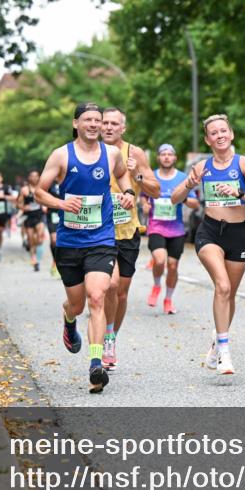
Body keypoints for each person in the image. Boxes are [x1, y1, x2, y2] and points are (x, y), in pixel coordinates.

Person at [33, 102, 136, 394]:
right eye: (88, 119)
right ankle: (69, 320)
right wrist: (61, 203)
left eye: (98, 120)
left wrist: (128, 192)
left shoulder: (111, 154)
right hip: (69, 242)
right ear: (76, 123)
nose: (94, 124)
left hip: (101, 239)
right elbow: (39, 191)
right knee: (77, 305)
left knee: (97, 297)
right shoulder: (61, 155)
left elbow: (122, 175)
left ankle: (95, 365)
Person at [170, 114, 245, 376]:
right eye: (214, 133)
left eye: (223, 131)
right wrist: (189, 183)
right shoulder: (202, 166)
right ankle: (225, 352)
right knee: (222, 286)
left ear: (231, 134)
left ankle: (217, 341)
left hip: (239, 234)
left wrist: (240, 193)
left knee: (229, 294)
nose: (220, 135)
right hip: (211, 232)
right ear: (207, 139)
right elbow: (175, 198)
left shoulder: (243, 163)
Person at [99, 107, 160, 370]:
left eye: (114, 123)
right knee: (110, 286)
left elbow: (156, 190)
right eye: (105, 123)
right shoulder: (91, 152)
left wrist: (137, 176)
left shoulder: (134, 153)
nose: (109, 127)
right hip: (99, 232)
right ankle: (104, 337)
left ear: (123, 128)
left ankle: (111, 337)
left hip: (127, 231)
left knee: (121, 294)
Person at [145, 143, 200, 314]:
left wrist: (182, 197)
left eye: (170, 154)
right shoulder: (151, 176)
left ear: (175, 158)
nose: (167, 157)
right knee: (159, 260)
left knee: (173, 266)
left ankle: (168, 299)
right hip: (156, 227)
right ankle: (156, 286)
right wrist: (144, 205)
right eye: (163, 154)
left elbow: (195, 204)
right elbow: (143, 195)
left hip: (176, 229)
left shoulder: (183, 177)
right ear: (158, 158)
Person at [17, 171, 48, 272]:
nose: (34, 178)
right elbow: (18, 204)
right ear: (29, 178)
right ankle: (34, 260)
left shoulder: (42, 188)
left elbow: (47, 199)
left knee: (39, 237)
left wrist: (45, 206)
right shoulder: (24, 190)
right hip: (29, 217)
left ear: (39, 177)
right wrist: (23, 207)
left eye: (36, 176)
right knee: (31, 240)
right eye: (32, 176)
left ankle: (35, 253)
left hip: (39, 216)